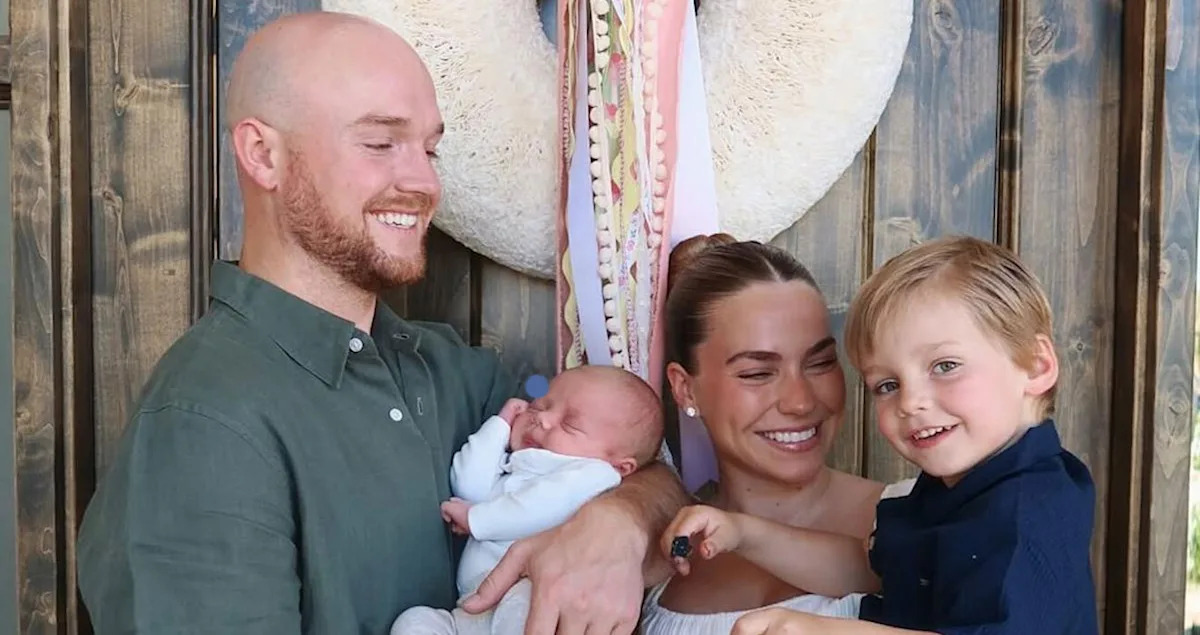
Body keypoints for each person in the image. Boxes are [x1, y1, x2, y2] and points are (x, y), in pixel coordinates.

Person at [76, 11, 688, 634]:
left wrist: (618, 523)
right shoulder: (203, 423)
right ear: (263, 155)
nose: (424, 182)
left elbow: (647, 472)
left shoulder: (454, 372)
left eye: (429, 149)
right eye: (379, 143)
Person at [678, 236, 1098, 634]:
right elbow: (869, 568)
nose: (910, 402)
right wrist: (746, 534)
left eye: (945, 366)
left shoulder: (1029, 513)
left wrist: (820, 629)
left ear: (1036, 366)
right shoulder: (956, 491)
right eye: (888, 385)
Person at [638, 234, 913, 635]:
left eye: (820, 363)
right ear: (685, 389)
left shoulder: (922, 518)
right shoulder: (649, 556)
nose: (800, 402)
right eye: (757, 373)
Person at [393, 365, 665, 634]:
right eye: (538, 407)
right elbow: (468, 485)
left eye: (570, 424)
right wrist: (501, 424)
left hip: (528, 596)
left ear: (621, 465)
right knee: (415, 622)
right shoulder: (515, 465)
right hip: (470, 612)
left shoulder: (595, 474)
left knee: (525, 610)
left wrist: (476, 519)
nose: (542, 419)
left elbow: (538, 507)